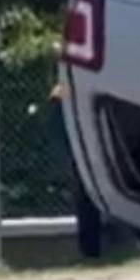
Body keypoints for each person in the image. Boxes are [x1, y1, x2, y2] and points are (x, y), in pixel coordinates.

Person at [48, 45, 103, 259]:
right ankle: (91, 247)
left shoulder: (65, 89)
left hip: (84, 147)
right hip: (86, 147)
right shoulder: (65, 90)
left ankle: (91, 246)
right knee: (87, 197)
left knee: (86, 196)